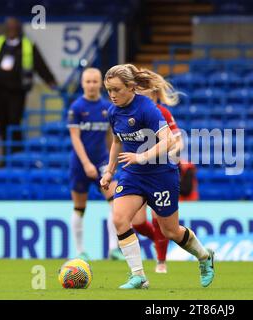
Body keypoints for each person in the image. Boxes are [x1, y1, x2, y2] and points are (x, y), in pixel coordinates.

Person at [100, 64, 215, 289]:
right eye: (109, 90)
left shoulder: (148, 109)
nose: (112, 95)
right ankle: (139, 276)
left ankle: (204, 257)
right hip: (133, 175)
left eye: (116, 89)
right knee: (119, 219)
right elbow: (116, 141)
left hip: (161, 175)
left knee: (170, 231)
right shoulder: (114, 111)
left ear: (131, 87)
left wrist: (141, 157)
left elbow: (169, 141)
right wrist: (109, 171)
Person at [0, 17, 57, 156]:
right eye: (9, 27)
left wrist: (50, 81)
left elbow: (40, 65)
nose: (12, 30)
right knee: (2, 123)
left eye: (14, 27)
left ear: (19, 29)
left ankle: (16, 154)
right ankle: (6, 155)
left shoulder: (28, 45)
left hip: (17, 92)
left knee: (14, 122)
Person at [67, 68, 123, 261]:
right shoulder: (76, 107)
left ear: (101, 83)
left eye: (94, 81)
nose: (91, 85)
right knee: (79, 208)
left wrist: (111, 163)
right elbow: (75, 139)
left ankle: (113, 249)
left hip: (101, 162)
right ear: (82, 83)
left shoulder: (108, 107)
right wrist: (85, 164)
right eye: (88, 81)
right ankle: (80, 250)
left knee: (115, 203)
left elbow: (111, 137)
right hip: (80, 164)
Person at [131, 88, 184, 274]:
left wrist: (167, 154)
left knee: (158, 218)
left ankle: (161, 261)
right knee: (137, 222)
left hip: (158, 172)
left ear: (154, 94)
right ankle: (158, 240)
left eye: (144, 93)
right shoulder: (131, 113)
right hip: (137, 172)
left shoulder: (163, 112)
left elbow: (178, 141)